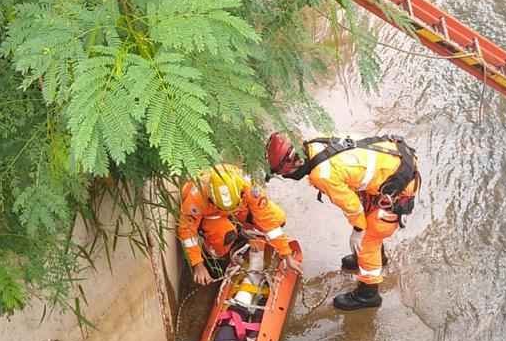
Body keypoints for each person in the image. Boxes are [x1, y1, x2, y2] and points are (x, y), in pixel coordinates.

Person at [266, 131, 420, 311]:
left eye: (285, 173)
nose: (287, 176)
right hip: (394, 162)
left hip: (399, 186)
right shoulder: (315, 146)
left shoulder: (322, 174)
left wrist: (358, 230)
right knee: (367, 228)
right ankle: (379, 258)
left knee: (367, 239)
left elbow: (352, 206)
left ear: (296, 162)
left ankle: (368, 294)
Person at [177, 163, 301, 286]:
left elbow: (269, 221)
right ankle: (215, 256)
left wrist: (287, 255)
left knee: (279, 218)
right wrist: (198, 264)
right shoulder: (196, 197)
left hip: (239, 207)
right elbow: (187, 231)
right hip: (212, 214)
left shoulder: (250, 187)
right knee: (224, 236)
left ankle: (241, 231)